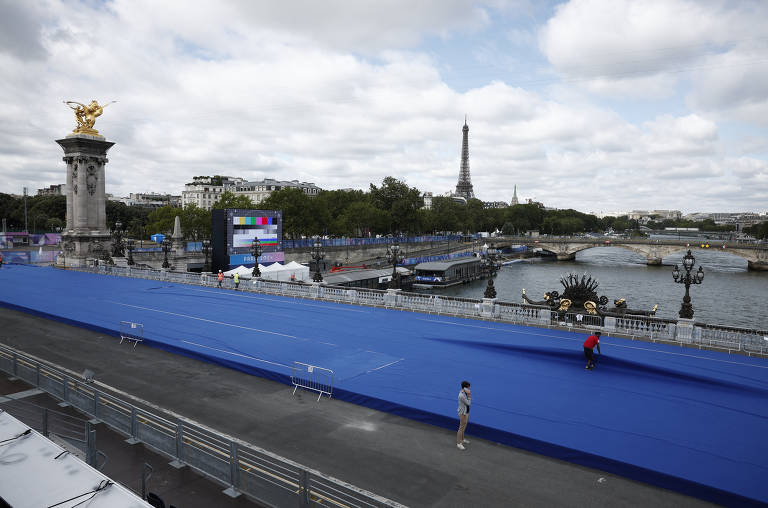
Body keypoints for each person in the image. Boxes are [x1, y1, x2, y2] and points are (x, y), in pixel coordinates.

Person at [457, 380, 471, 450]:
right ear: (464, 388)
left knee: (464, 426)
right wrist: (469, 395)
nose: (469, 389)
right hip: (463, 413)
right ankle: (459, 443)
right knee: (461, 427)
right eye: (468, 388)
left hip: (466, 411)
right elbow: (468, 403)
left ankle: (462, 439)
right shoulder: (462, 395)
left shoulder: (465, 392)